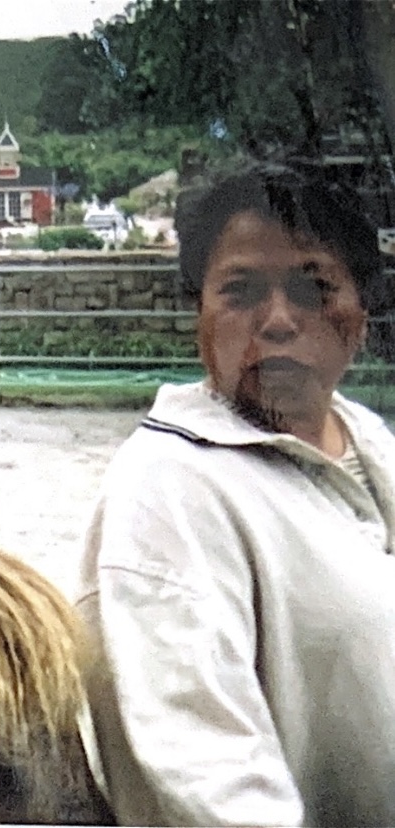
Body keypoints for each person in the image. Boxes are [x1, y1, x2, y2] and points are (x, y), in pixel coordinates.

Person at [77, 161, 395, 826]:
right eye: (241, 290)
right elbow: (208, 782)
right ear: (200, 314)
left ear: (360, 314)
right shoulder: (169, 493)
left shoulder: (368, 441)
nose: (278, 320)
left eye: (314, 287)